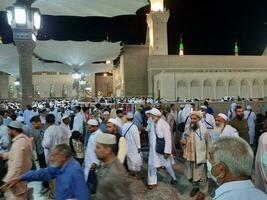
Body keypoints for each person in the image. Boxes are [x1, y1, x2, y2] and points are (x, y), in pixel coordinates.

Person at [0, 144, 89, 200]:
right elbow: (42, 173)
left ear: (63, 156)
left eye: (54, 156)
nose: (51, 158)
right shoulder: (60, 167)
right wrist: (20, 178)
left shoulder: (75, 171)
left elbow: (82, 195)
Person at [0, 121, 32, 200]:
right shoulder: (22, 140)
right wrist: (3, 155)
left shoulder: (19, 143)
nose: (8, 132)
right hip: (22, 176)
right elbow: (14, 153)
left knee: (18, 196)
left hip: (17, 177)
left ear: (14, 130)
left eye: (9, 130)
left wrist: (7, 180)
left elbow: (17, 164)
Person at [180, 111, 209, 200]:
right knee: (190, 175)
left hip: (200, 157)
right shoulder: (187, 127)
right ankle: (195, 188)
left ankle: (202, 192)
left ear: (199, 119)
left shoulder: (204, 130)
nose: (192, 120)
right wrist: (182, 142)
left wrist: (208, 157)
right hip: (189, 156)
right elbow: (183, 138)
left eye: (194, 119)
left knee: (201, 177)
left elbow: (209, 144)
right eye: (191, 118)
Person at [95, 134, 132, 200]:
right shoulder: (104, 164)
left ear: (108, 150)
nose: (95, 150)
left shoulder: (116, 172)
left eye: (98, 148)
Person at [150, 108, 177, 185]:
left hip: (164, 147)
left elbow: (168, 139)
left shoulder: (164, 124)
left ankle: (174, 178)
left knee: (167, 165)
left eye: (153, 116)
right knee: (160, 163)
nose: (152, 118)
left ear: (157, 116)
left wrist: (167, 152)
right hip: (159, 146)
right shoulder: (156, 123)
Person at [30, 116, 49, 194]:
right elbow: (32, 141)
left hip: (49, 152)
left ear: (39, 122)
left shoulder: (46, 127)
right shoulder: (32, 130)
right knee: (43, 169)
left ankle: (52, 184)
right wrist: (32, 152)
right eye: (32, 124)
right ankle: (45, 185)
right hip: (40, 153)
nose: (33, 126)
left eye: (34, 124)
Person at [84, 119, 103, 194]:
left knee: (93, 183)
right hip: (89, 162)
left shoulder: (99, 135)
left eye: (89, 128)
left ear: (95, 127)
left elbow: (100, 150)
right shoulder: (93, 133)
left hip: (93, 163)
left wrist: (95, 162)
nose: (88, 129)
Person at [122, 112, 142, 178]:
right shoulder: (134, 127)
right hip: (134, 147)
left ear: (127, 118)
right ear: (133, 119)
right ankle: (137, 175)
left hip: (127, 146)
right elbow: (137, 138)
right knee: (137, 160)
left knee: (129, 159)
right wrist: (139, 147)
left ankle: (131, 173)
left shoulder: (124, 126)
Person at [0, 116, 10, 197]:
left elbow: (6, 144)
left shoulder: (4, 129)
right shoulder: (5, 128)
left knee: (2, 175)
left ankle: (3, 191)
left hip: (2, 155)